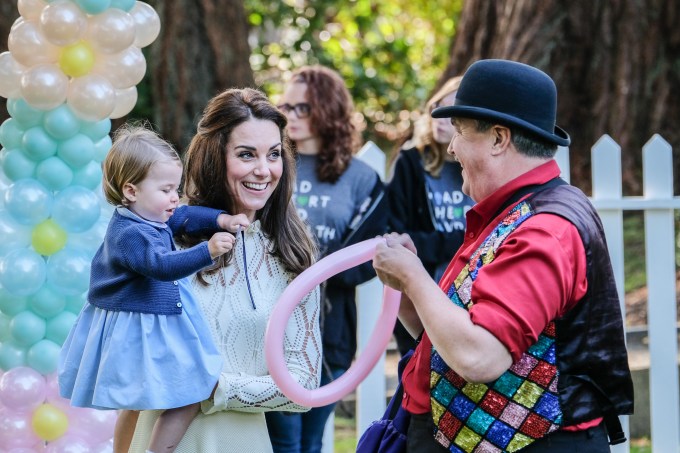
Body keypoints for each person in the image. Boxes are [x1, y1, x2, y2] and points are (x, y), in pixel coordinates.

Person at [372, 59, 634, 452]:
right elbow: (451, 335)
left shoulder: (544, 228)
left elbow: (479, 356)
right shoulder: (512, 212)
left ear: (498, 139)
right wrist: (409, 291)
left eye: (460, 131)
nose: (451, 147)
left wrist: (414, 277)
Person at [128, 88, 322, 453]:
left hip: (242, 442)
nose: (263, 170)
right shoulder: (166, 237)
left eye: (274, 154)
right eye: (246, 154)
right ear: (216, 158)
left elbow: (304, 385)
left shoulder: (294, 251)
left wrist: (218, 388)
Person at [58, 124, 248, 453]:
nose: (175, 197)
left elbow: (185, 216)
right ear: (131, 191)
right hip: (136, 327)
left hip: (150, 319)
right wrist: (207, 250)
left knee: (156, 399)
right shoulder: (129, 233)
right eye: (165, 189)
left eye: (176, 187)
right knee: (149, 397)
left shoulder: (149, 214)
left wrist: (222, 220)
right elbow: (159, 266)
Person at [265, 65, 387, 453]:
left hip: (330, 327)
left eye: (302, 107)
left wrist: (320, 270)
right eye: (286, 106)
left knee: (312, 441)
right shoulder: (270, 166)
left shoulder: (361, 178)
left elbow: (369, 255)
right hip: (271, 322)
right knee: (283, 442)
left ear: (328, 110)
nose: (290, 115)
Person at [387, 76, 474, 356]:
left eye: (451, 113)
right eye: (437, 107)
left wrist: (435, 242)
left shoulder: (482, 167)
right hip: (420, 296)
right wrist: (459, 241)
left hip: (472, 297)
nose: (439, 118)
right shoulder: (411, 163)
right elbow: (397, 236)